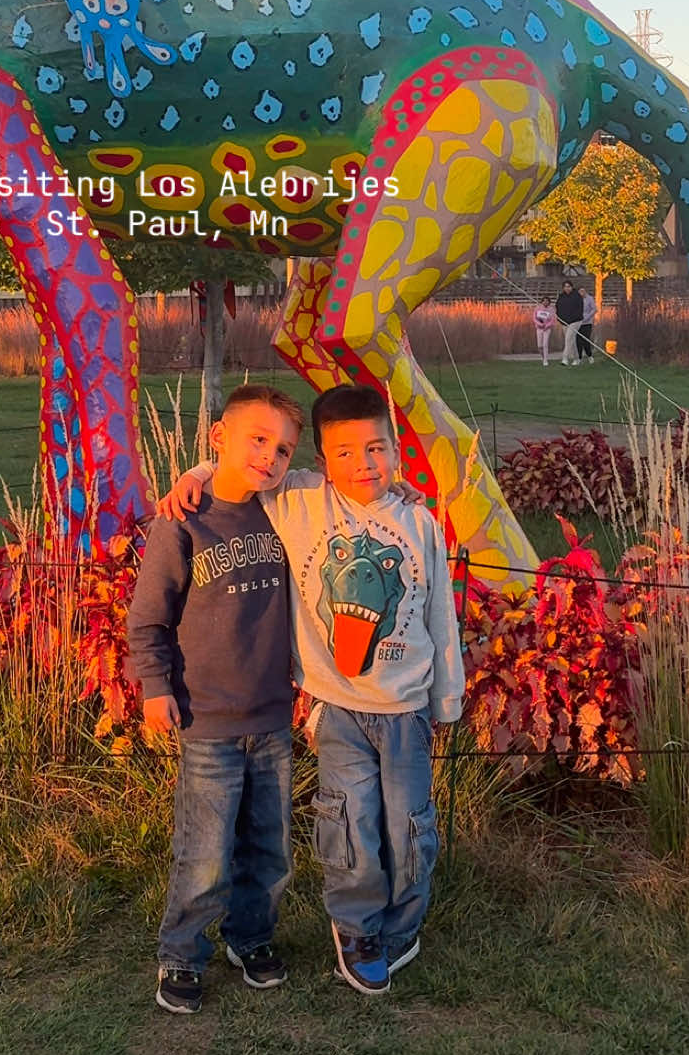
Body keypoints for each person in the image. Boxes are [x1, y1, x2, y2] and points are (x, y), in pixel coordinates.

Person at [160, 384, 463, 998]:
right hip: (339, 708)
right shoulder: (300, 502)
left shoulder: (420, 522)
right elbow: (241, 470)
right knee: (350, 823)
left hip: (406, 707)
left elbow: (440, 617)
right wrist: (193, 474)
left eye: (376, 450)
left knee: (409, 825)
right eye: (344, 453)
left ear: (395, 451)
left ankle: (403, 925)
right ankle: (355, 929)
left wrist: (446, 698)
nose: (364, 465)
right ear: (321, 461)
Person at [127, 383, 304, 1016]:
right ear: (218, 437)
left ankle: (250, 938)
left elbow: (333, 484)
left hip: (272, 717)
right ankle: (180, 953)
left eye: (281, 449)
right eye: (257, 439)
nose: (269, 457)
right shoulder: (182, 521)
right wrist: (154, 688)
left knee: (270, 844)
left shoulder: (285, 512)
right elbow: (149, 618)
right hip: (207, 720)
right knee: (204, 852)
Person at [555, 279, 584, 366]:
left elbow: (579, 310)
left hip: (576, 321)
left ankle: (565, 359)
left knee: (568, 339)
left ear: (572, 287)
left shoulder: (577, 296)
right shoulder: (561, 296)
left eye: (568, 286)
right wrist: (560, 319)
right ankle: (577, 359)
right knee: (572, 341)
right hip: (564, 322)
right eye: (565, 287)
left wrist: (572, 319)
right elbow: (558, 308)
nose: (567, 288)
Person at [532, 295, 556, 366]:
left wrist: (547, 326)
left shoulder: (551, 309)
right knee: (540, 346)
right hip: (539, 328)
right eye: (544, 301)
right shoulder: (538, 308)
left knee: (545, 344)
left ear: (549, 302)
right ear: (542, 302)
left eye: (547, 301)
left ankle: (545, 360)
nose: (545, 302)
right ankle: (543, 357)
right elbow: (534, 318)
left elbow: (552, 320)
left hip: (547, 329)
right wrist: (539, 324)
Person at [577, 286, 598, 363]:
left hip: (587, 323)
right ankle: (579, 358)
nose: (582, 293)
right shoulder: (576, 299)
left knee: (586, 339)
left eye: (583, 291)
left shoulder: (590, 299)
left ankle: (589, 356)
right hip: (577, 323)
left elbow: (594, 309)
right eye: (580, 291)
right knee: (578, 341)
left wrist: (587, 317)